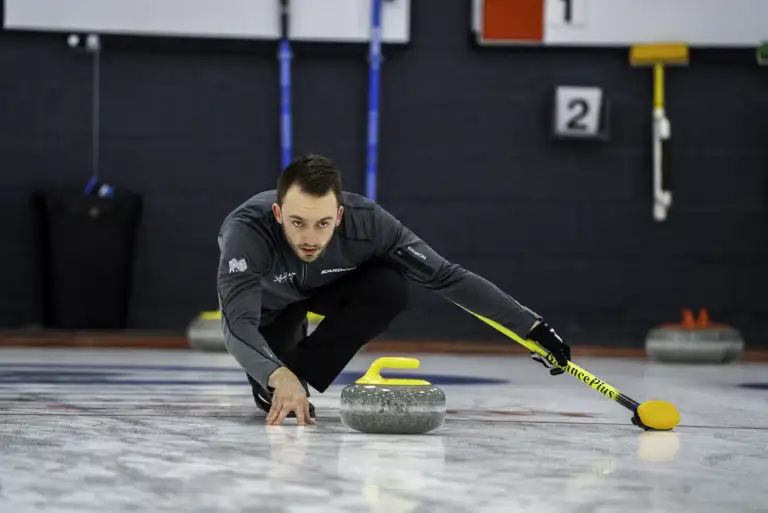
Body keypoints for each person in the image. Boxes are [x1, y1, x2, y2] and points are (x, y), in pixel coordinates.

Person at [216, 153, 571, 426]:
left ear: (339, 216)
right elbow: (237, 323)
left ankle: (301, 371)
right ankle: (282, 374)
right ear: (278, 214)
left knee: (389, 287)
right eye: (297, 223)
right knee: (273, 383)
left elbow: (446, 276)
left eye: (323, 223)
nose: (310, 238)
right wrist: (275, 375)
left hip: (326, 285)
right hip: (271, 305)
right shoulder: (247, 232)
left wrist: (531, 326)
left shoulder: (369, 223)